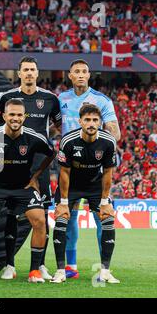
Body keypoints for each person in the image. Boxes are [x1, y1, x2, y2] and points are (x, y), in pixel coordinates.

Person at [0, 98, 55, 283]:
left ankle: (34, 272)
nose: (15, 118)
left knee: (40, 220)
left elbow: (51, 153)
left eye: (19, 115)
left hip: (23, 187)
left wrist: (35, 176)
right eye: (12, 114)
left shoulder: (34, 137)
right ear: (4, 115)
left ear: (25, 116)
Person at [0, 56, 61, 280]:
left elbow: (58, 127)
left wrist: (42, 141)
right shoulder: (7, 98)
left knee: (42, 214)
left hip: (39, 168)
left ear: (37, 72)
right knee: (11, 215)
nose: (29, 73)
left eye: (33, 69)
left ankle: (41, 264)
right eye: (25, 70)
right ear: (19, 73)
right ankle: (9, 265)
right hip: (11, 165)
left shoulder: (50, 99)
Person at [58, 59, 121, 279]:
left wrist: (100, 146)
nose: (81, 75)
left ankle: (105, 267)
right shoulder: (61, 99)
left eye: (85, 71)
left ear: (89, 75)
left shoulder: (101, 100)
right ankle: (70, 267)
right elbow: (57, 125)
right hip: (70, 167)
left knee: (101, 216)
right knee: (69, 216)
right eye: (77, 71)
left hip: (94, 167)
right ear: (70, 75)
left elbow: (116, 133)